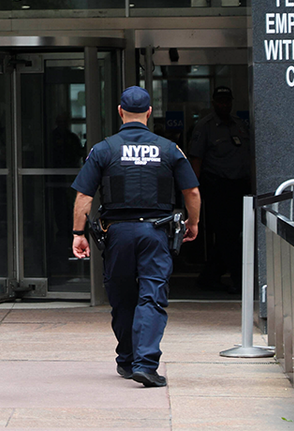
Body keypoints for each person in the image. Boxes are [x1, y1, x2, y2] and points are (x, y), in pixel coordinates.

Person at [70, 86, 200, 388]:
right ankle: (144, 363)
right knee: (151, 296)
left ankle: (128, 360)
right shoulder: (168, 149)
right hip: (156, 231)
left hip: (117, 233)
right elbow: (191, 191)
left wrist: (79, 233)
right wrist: (193, 222)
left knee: (122, 298)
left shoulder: (104, 149)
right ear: (150, 113)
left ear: (119, 112)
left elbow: (84, 197)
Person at [188, 85, 252, 293]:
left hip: (240, 186)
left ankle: (209, 276)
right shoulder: (205, 127)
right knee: (228, 234)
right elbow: (196, 159)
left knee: (234, 234)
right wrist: (194, 191)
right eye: (220, 101)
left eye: (227, 101)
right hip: (218, 187)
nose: (224, 104)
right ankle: (239, 280)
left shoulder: (239, 125)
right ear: (214, 103)